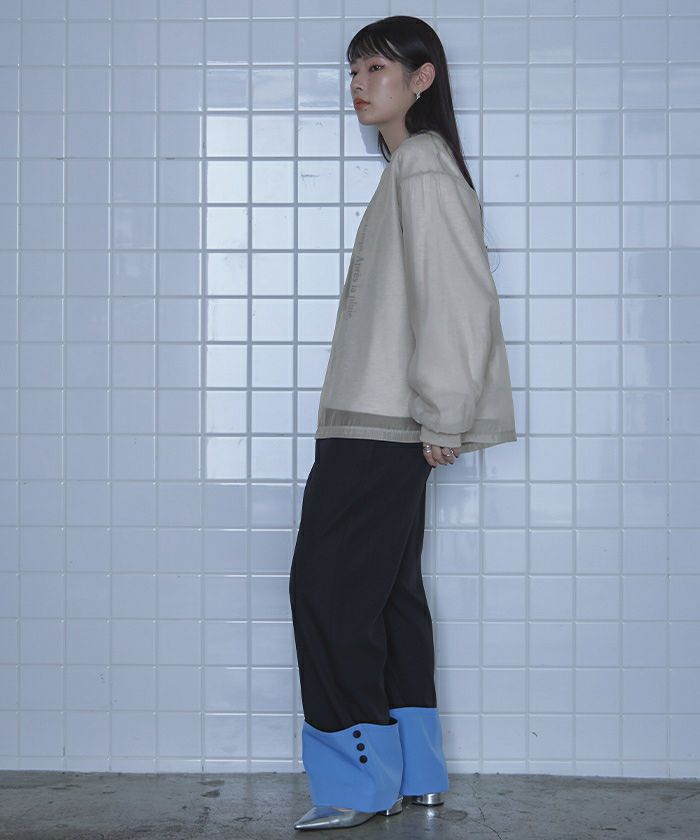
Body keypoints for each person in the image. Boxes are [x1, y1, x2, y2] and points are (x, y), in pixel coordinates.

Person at [289, 15, 517, 832]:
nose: (359, 84)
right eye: (353, 71)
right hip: (385, 422)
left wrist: (444, 414)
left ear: (423, 79)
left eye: (377, 68)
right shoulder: (412, 168)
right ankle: (415, 769)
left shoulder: (419, 165)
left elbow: (459, 299)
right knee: (387, 597)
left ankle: (357, 784)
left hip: (380, 426)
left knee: (328, 594)